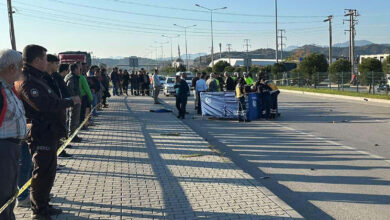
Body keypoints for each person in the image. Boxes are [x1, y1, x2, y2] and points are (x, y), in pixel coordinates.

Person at [15, 45, 80, 220]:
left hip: (49, 132)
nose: (47, 61)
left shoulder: (40, 78)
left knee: (48, 172)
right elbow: (44, 105)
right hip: (40, 132)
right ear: (37, 60)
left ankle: (43, 204)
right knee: (41, 172)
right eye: (44, 58)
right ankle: (38, 210)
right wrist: (70, 101)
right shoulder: (28, 80)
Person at [0, 49, 27, 220]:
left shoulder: (9, 88)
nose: (22, 70)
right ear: (11, 68)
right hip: (3, 149)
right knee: (3, 192)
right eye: (20, 66)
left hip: (12, 147)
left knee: (10, 191)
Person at [44, 54, 72, 158]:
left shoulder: (55, 77)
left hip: (59, 109)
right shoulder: (43, 78)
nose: (57, 66)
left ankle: (57, 156)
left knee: (57, 136)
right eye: (56, 63)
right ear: (49, 63)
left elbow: (62, 90)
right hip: (50, 115)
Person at [64, 63, 83, 142]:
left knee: (74, 118)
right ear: (75, 69)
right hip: (73, 101)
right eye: (79, 69)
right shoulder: (71, 77)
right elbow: (69, 88)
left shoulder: (72, 76)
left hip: (74, 100)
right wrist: (74, 99)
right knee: (73, 118)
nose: (80, 70)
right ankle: (72, 136)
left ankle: (74, 134)